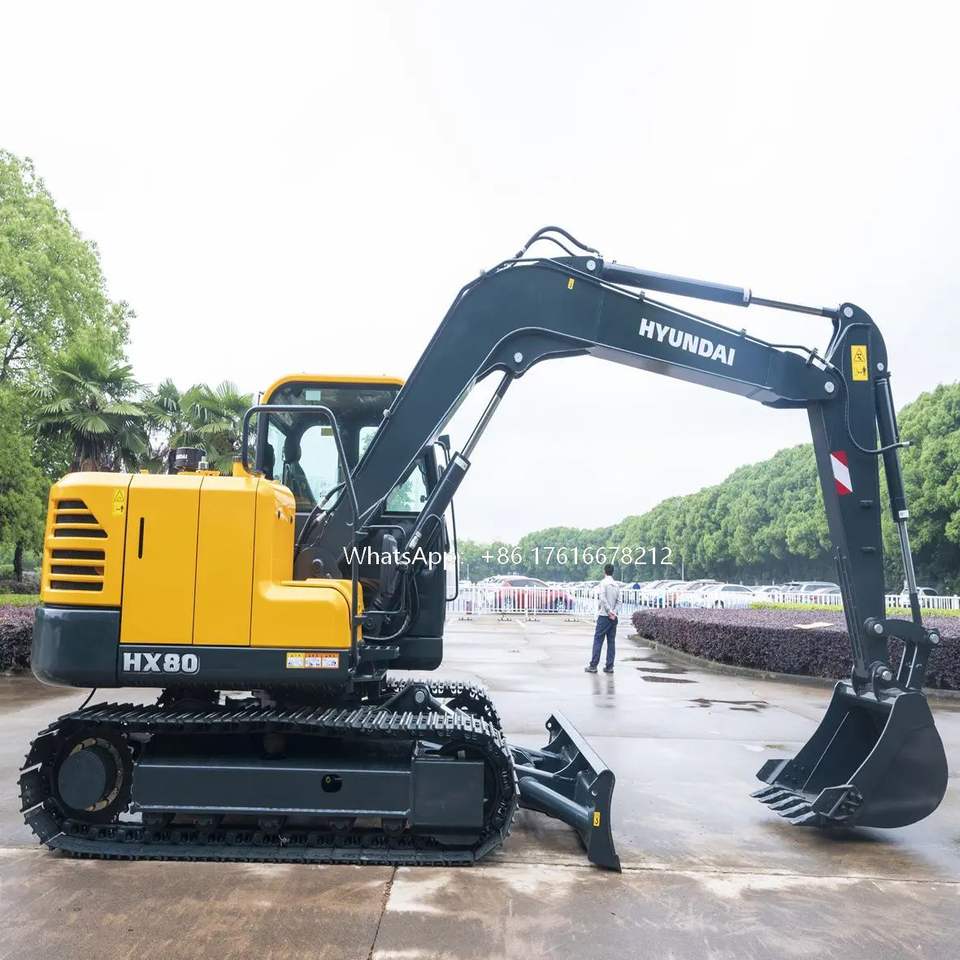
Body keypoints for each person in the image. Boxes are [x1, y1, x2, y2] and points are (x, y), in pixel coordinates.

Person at [586, 563, 619, 674]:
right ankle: (609, 667)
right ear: (613, 572)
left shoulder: (603, 583)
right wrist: (614, 612)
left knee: (598, 640)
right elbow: (619, 601)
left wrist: (609, 611)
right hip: (613, 618)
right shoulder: (616, 585)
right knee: (611, 642)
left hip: (604, 616)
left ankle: (593, 666)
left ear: (604, 571)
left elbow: (603, 598)